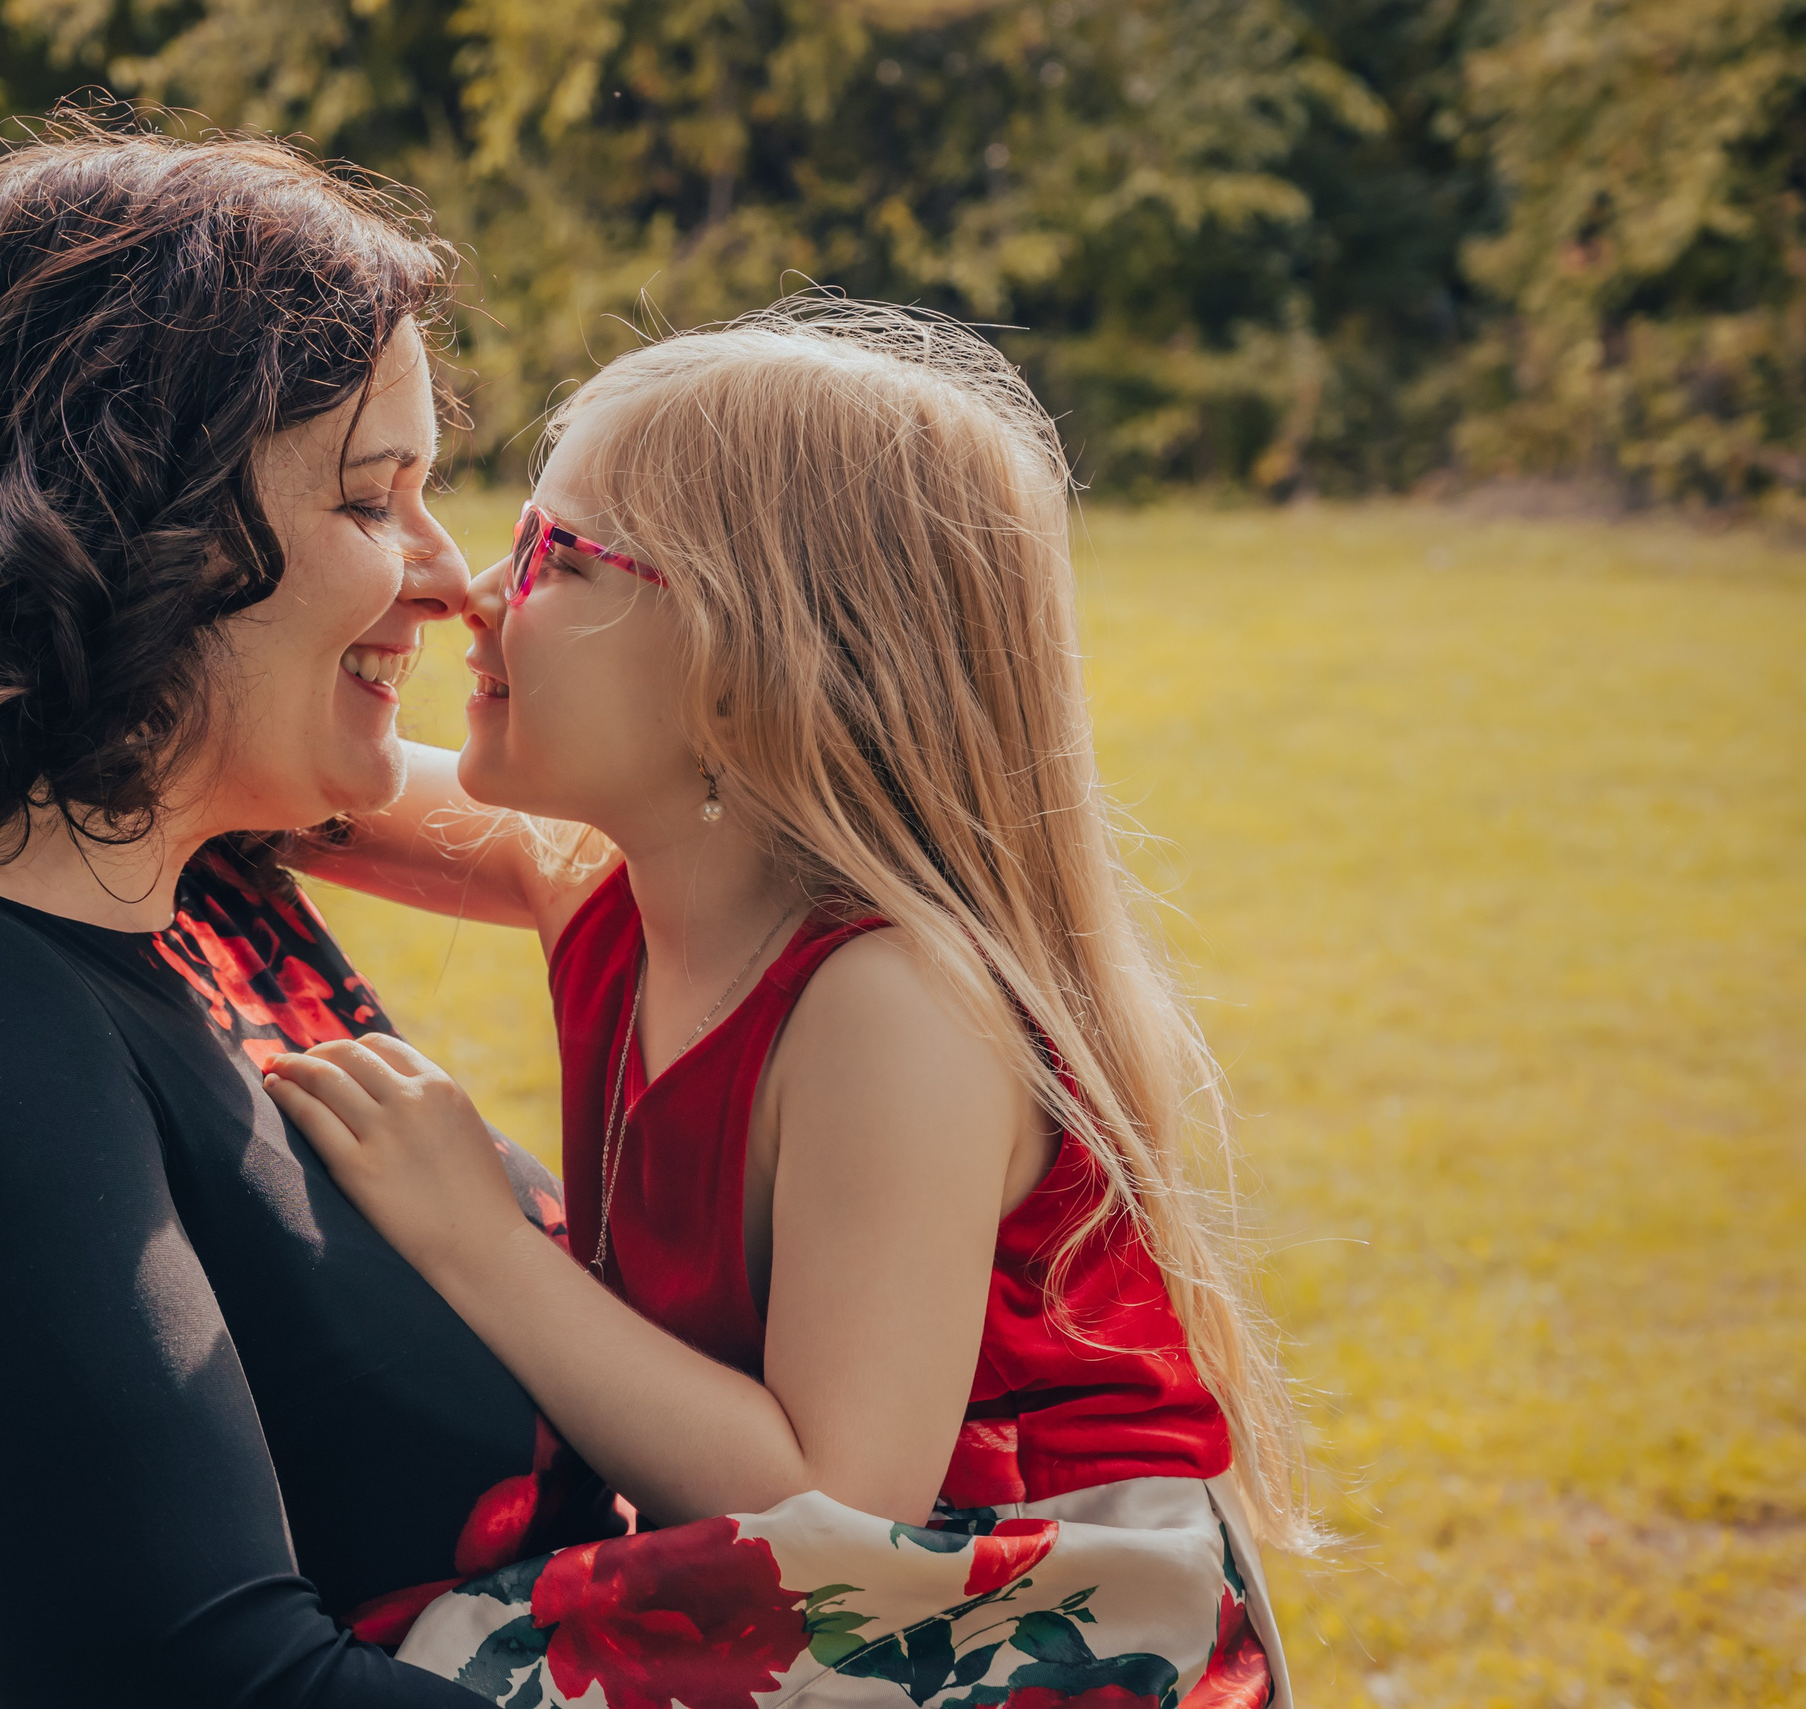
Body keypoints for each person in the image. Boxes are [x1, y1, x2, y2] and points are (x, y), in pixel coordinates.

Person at [0, 125, 624, 1709]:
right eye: (376, 498)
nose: (450, 581)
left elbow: (625, 850)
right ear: (133, 517)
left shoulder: (157, 847)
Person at [261, 301, 1311, 1706]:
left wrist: (478, 1240)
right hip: (839, 1596)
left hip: (1024, 1614)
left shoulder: (896, 1006)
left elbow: (835, 1496)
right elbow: (286, 776)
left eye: (558, 553)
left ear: (755, 661)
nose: (477, 590)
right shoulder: (608, 881)